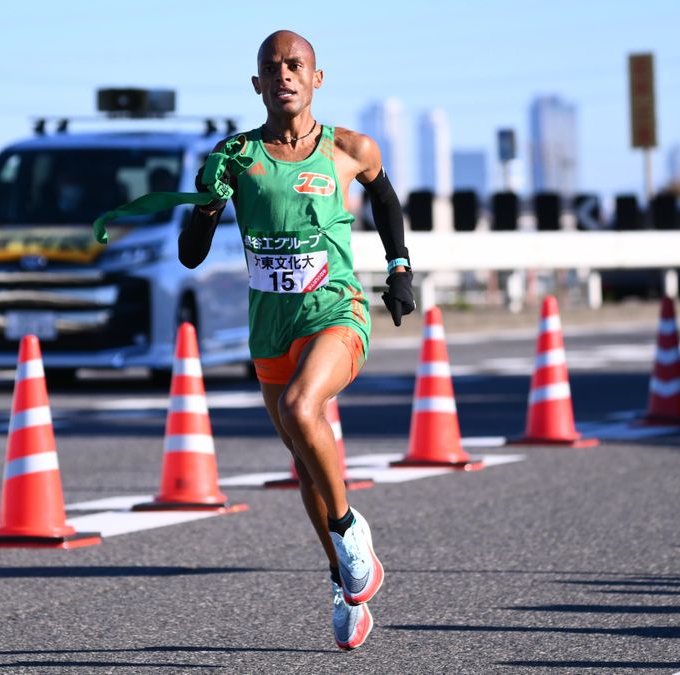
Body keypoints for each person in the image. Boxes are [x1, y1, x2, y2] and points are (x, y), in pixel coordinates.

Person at [178, 30, 415, 651]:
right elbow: (189, 255)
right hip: (271, 331)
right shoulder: (234, 156)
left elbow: (385, 199)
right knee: (306, 464)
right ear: (256, 84)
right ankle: (345, 579)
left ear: (316, 78)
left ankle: (350, 530)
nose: (284, 74)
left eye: (296, 65)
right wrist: (207, 203)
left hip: (336, 314)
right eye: (271, 67)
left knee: (300, 410)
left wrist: (399, 269)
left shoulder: (348, 148)